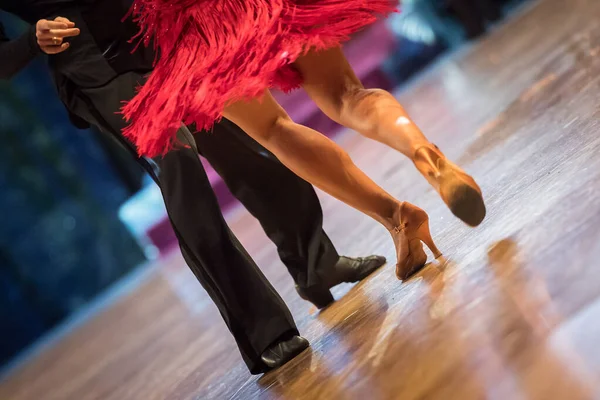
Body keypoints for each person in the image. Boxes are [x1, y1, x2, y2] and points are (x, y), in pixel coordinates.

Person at [0, 1, 387, 374]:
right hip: (97, 70)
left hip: (162, 40)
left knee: (247, 146)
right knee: (180, 167)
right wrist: (33, 39)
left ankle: (316, 262)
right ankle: (264, 332)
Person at [123, 0, 486, 274]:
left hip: (196, 21)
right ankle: (424, 154)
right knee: (346, 95)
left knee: (273, 130)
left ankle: (395, 217)